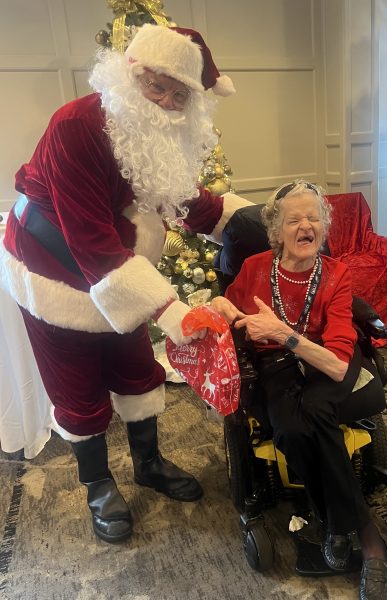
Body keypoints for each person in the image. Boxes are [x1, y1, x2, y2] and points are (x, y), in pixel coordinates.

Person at [0, 24, 250, 543]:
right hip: (50, 268)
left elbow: (180, 195)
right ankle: (97, 485)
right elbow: (91, 243)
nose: (166, 102)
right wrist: (172, 311)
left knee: (136, 367)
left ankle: (148, 463)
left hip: (118, 268)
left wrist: (253, 222)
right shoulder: (75, 126)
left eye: (179, 95)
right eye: (157, 86)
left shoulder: (156, 130)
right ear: (130, 71)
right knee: (76, 384)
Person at [211, 180, 387, 600]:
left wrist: (282, 333)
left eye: (313, 218)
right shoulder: (255, 268)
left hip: (328, 358)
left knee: (317, 409)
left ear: (323, 228)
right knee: (290, 430)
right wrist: (220, 305)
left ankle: (365, 541)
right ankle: (347, 525)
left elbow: (337, 364)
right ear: (277, 231)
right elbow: (228, 306)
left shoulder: (336, 274)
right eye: (294, 220)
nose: (306, 226)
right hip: (276, 364)